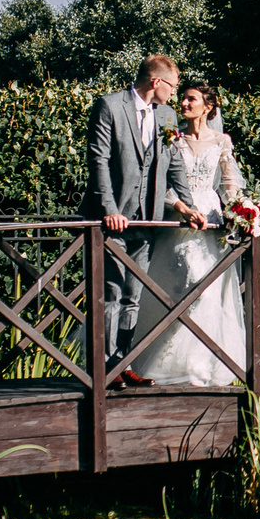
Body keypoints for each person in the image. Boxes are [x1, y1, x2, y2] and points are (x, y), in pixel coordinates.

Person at [125, 82, 250, 386]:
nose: (183, 103)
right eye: (182, 98)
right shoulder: (173, 138)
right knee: (179, 284)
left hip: (209, 218)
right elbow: (158, 180)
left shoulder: (221, 140)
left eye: (190, 99)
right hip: (177, 217)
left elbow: (230, 183)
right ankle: (159, 361)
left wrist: (240, 212)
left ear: (207, 107)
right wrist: (180, 206)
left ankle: (200, 364)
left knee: (208, 287)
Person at [78, 54, 179, 386]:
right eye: (173, 87)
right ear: (156, 82)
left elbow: (173, 164)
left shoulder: (166, 115)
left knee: (133, 295)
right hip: (113, 220)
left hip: (148, 221)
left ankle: (124, 362)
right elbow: (98, 160)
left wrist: (190, 207)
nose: (174, 94)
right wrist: (109, 209)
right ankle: (105, 368)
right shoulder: (109, 106)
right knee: (111, 292)